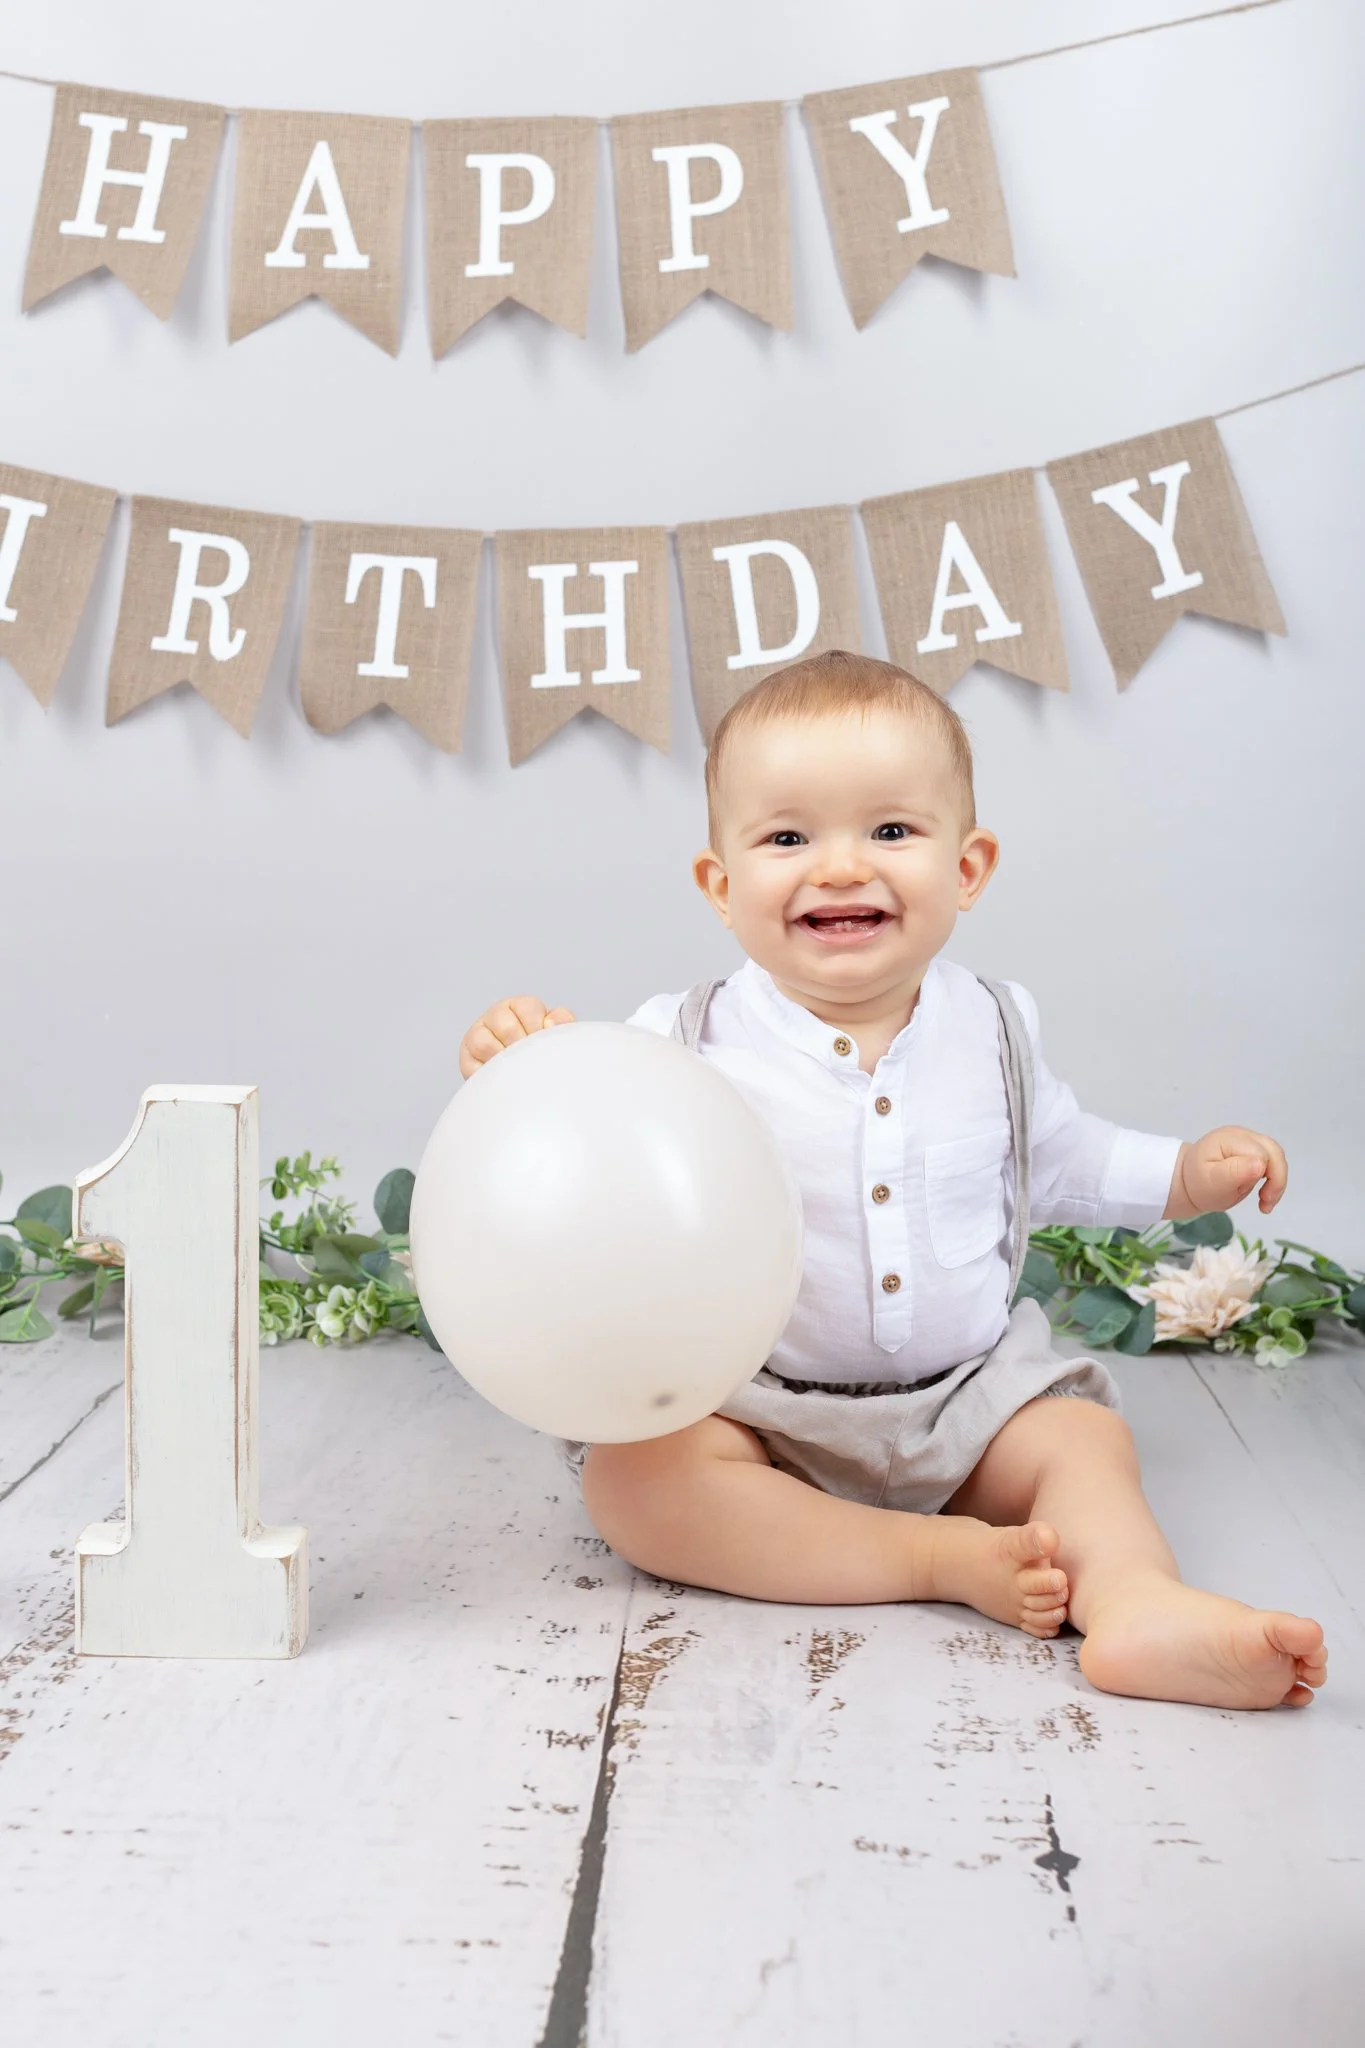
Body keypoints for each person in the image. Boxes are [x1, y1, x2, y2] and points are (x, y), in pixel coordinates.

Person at [458, 650, 1327, 1711]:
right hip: (760, 1410)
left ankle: (1139, 1602)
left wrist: (1187, 1173)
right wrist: (527, 1061)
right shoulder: (680, 1040)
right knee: (639, 1483)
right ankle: (932, 1558)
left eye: (890, 830)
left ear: (967, 867)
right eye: (788, 836)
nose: (838, 867)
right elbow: (594, 1154)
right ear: (722, 886)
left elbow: (1059, 1156)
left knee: (1082, 1441)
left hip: (966, 1396)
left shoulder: (993, 1024)